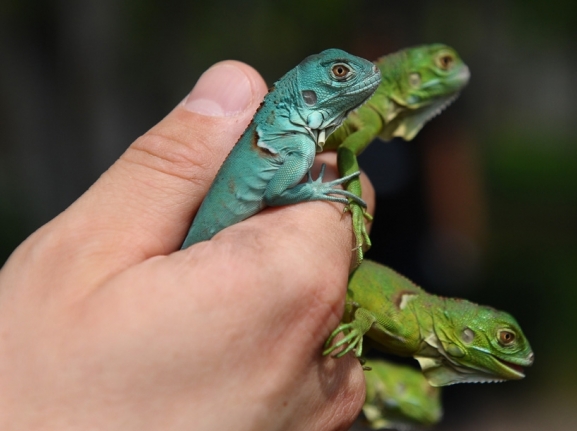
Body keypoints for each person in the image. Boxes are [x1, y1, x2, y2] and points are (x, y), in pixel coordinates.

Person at [0, 60, 375, 430]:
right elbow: (279, 190)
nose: (361, 76)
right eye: (340, 72)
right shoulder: (298, 148)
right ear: (307, 93)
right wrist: (316, 190)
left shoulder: (293, 141)